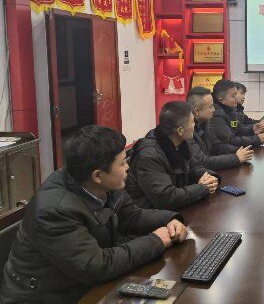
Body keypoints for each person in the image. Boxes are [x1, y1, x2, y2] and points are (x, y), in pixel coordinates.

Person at [0, 126, 187, 304]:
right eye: (122, 163)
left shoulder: (100, 182)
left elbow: (132, 216)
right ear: (98, 175)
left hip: (79, 284)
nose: (128, 167)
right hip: (46, 297)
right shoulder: (54, 211)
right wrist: (156, 240)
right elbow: (97, 266)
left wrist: (170, 219)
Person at [125, 101, 220, 210]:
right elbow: (166, 198)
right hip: (151, 214)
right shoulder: (149, 156)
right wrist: (202, 188)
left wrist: (209, 179)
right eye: (192, 122)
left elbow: (195, 166)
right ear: (180, 130)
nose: (195, 125)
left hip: (173, 211)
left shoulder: (179, 142)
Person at [186, 86, 254, 169]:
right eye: (210, 107)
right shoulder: (187, 131)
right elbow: (203, 162)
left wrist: (238, 150)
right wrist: (236, 158)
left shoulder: (205, 122)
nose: (214, 110)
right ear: (197, 111)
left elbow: (216, 146)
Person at [210, 79, 264, 148]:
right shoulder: (216, 114)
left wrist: (253, 129)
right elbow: (230, 140)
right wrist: (255, 139)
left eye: (236, 94)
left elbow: (237, 129)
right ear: (221, 99)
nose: (236, 98)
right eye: (233, 96)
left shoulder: (229, 110)